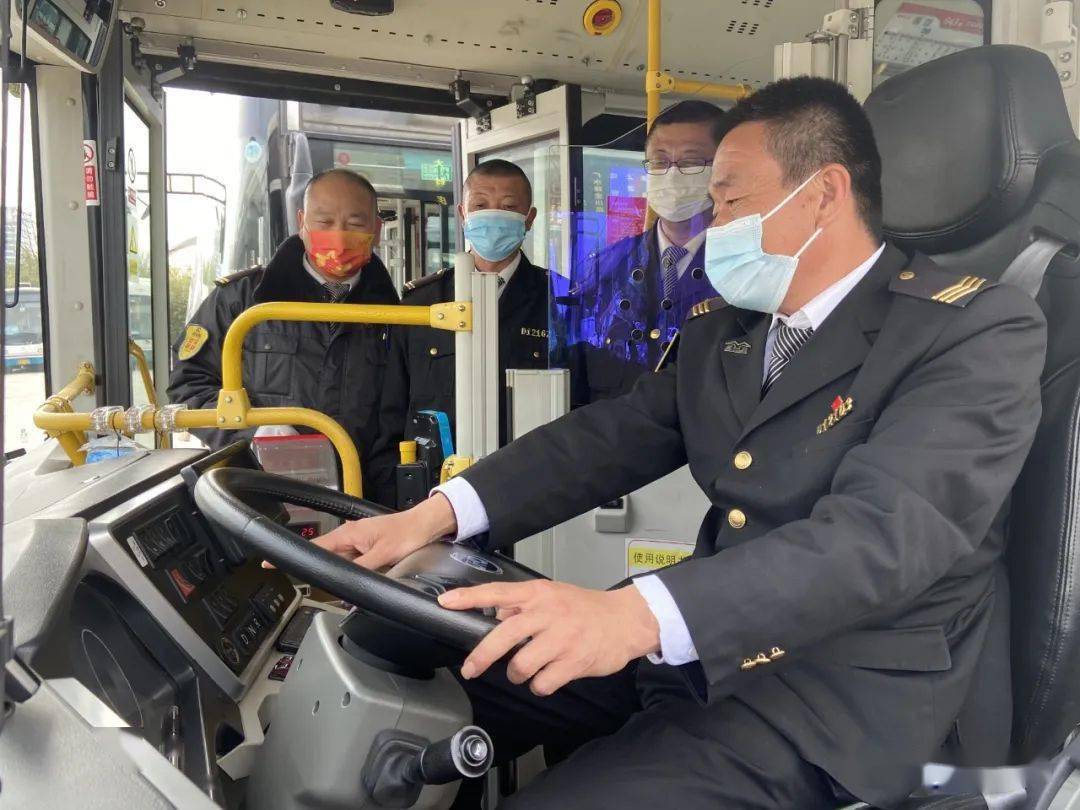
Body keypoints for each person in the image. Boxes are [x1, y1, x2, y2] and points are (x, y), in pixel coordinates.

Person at [312, 77, 1046, 809]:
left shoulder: (971, 331)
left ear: (823, 194)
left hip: (843, 701)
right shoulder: (731, 332)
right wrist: (434, 516)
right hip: (700, 656)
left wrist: (635, 617)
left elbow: (880, 536)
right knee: (423, 683)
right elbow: (607, 438)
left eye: (729, 201)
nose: (712, 222)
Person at [168, 168, 399, 502]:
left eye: (354, 223)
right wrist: (252, 431)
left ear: (376, 230)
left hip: (363, 498)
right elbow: (188, 383)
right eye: (324, 221)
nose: (338, 236)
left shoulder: (398, 316)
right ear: (302, 222)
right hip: (258, 492)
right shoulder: (243, 300)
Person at [376, 159, 550, 463]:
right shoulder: (421, 304)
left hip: (527, 476)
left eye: (508, 207)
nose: (493, 215)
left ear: (529, 218)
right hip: (436, 479)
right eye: (480, 205)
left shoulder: (558, 301)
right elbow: (392, 410)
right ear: (462, 214)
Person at [564, 100, 725, 403]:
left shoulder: (746, 268)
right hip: (617, 431)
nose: (672, 175)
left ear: (724, 168)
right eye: (660, 162)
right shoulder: (604, 269)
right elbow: (580, 386)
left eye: (691, 162)